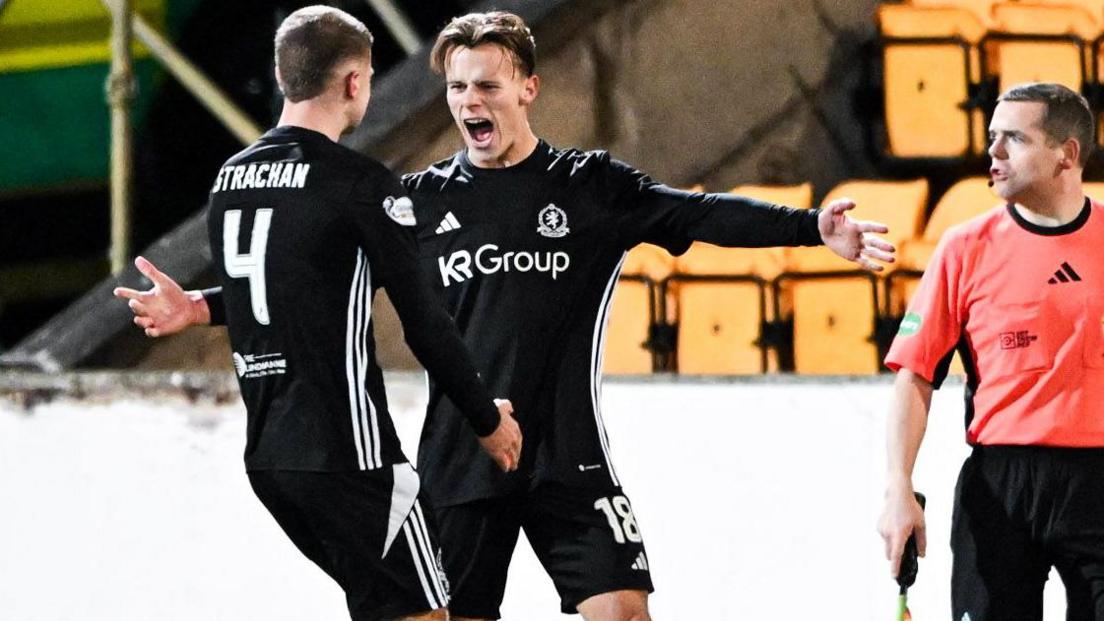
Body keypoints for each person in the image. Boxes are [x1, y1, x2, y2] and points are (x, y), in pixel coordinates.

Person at [124, 10, 894, 620]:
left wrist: (811, 228)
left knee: (625, 611)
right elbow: (315, 287)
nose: (470, 102)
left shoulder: (588, 185)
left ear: (528, 87)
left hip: (567, 455)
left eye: (487, 85)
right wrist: (201, 306)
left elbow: (697, 214)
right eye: (457, 88)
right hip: (462, 456)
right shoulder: (417, 201)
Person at [113, 7, 522, 620]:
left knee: (387, 606)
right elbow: (425, 322)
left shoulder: (231, 178)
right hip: (351, 455)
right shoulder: (358, 183)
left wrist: (198, 306)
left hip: (272, 459)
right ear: (355, 81)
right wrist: (487, 420)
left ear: (283, 77)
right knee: (428, 612)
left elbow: (288, 285)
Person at [877, 82, 1104, 621]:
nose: (994, 152)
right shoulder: (963, 248)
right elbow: (915, 376)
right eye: (992, 137)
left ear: (1066, 154)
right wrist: (898, 488)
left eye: (1015, 139)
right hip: (1000, 487)